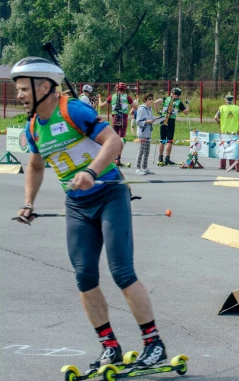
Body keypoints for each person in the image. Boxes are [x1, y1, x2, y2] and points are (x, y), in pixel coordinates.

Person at [11, 57, 167, 373]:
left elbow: (115, 140)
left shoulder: (73, 111)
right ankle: (110, 347)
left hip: (109, 193)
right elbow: (36, 166)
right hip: (77, 206)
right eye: (17, 90)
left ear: (45, 87)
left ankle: (154, 345)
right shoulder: (32, 127)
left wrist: (93, 172)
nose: (19, 95)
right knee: (84, 276)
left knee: (122, 271)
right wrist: (28, 202)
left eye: (24, 89)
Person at [99, 82, 138, 165]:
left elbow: (101, 106)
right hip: (123, 119)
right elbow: (136, 107)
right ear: (124, 89)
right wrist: (136, 102)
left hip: (115, 119)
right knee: (121, 138)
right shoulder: (127, 97)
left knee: (114, 138)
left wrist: (99, 98)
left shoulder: (112, 97)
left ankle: (113, 158)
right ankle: (118, 158)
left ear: (116, 89)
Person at [153, 87, 188, 166]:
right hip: (171, 121)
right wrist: (187, 104)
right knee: (169, 140)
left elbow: (155, 102)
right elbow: (186, 112)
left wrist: (158, 112)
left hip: (163, 119)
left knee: (162, 140)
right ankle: (167, 158)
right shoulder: (179, 102)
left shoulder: (166, 99)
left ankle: (160, 158)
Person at [214, 92, 239, 169]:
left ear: (225, 100)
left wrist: (219, 123)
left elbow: (216, 117)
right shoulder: (236, 108)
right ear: (232, 100)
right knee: (232, 148)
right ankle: (232, 165)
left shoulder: (221, 108)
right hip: (234, 132)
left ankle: (222, 166)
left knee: (223, 148)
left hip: (224, 131)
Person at [135, 93, 156, 175]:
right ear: (145, 100)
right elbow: (138, 122)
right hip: (142, 133)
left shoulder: (149, 108)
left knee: (147, 151)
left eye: (152, 99)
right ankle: (138, 168)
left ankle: (144, 167)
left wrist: (154, 120)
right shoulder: (142, 109)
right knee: (141, 151)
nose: (151, 100)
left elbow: (150, 118)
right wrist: (147, 122)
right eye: (149, 99)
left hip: (148, 133)